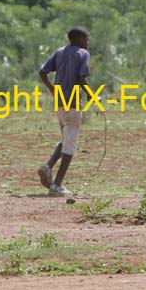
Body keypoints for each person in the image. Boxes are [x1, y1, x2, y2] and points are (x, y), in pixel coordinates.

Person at [38, 26, 91, 196]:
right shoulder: (83, 54)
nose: (87, 42)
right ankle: (57, 185)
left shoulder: (60, 52)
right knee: (70, 144)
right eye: (86, 39)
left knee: (66, 138)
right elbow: (82, 79)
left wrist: (52, 90)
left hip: (59, 103)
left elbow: (42, 72)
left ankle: (48, 166)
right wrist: (93, 96)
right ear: (79, 38)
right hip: (73, 103)